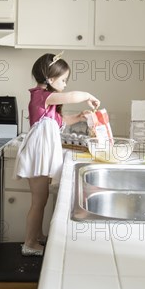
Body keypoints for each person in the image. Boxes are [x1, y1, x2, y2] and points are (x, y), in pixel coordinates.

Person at [14, 52, 100, 256]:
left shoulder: (49, 102)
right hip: (38, 156)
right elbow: (71, 97)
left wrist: (79, 116)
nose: (65, 84)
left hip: (41, 155)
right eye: (63, 80)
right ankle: (29, 244)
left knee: (41, 200)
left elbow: (59, 122)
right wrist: (88, 96)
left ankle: (37, 237)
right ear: (50, 79)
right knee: (38, 200)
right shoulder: (41, 96)